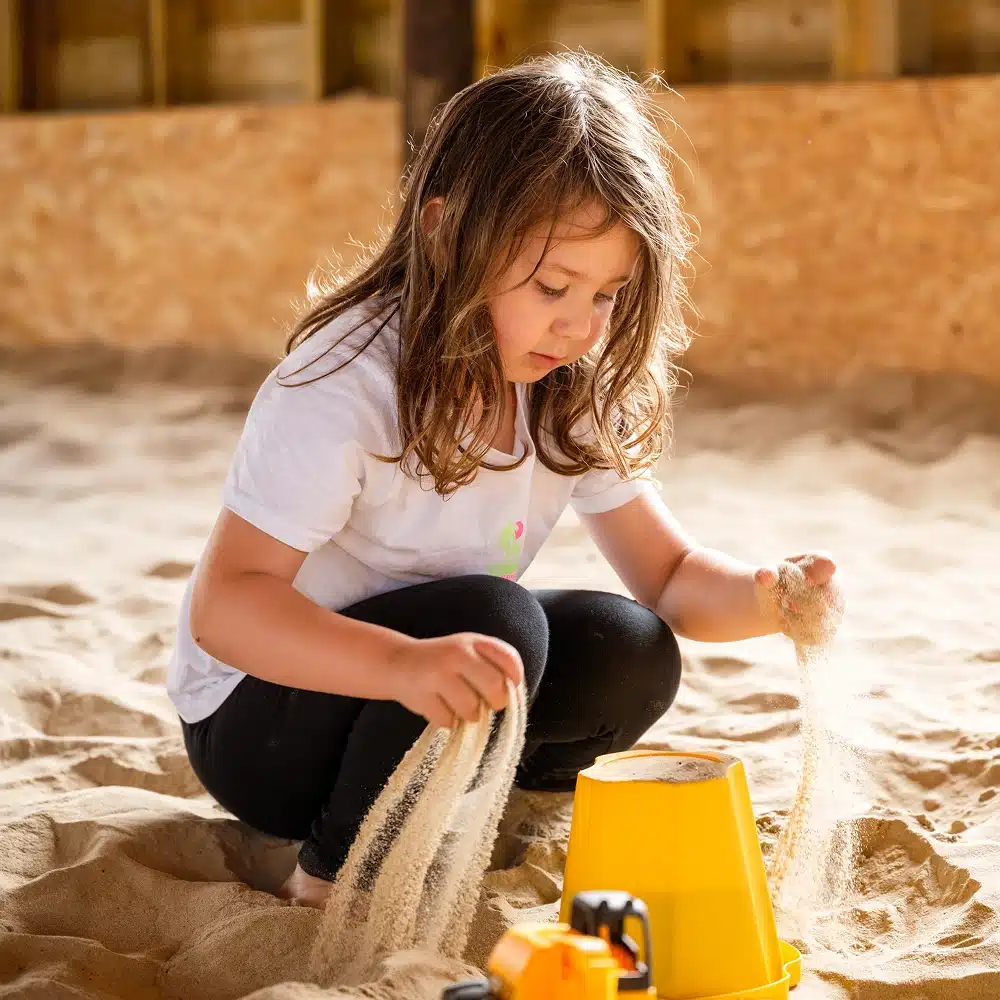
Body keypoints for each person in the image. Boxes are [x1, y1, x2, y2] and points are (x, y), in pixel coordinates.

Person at [167, 52, 842, 908]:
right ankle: (334, 874)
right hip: (265, 728)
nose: (579, 324)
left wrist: (770, 599)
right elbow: (227, 607)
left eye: (607, 294)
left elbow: (668, 578)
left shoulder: (564, 385)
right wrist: (399, 666)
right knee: (496, 618)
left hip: (424, 695)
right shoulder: (343, 384)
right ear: (447, 233)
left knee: (626, 647)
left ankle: (459, 802)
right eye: (554, 284)